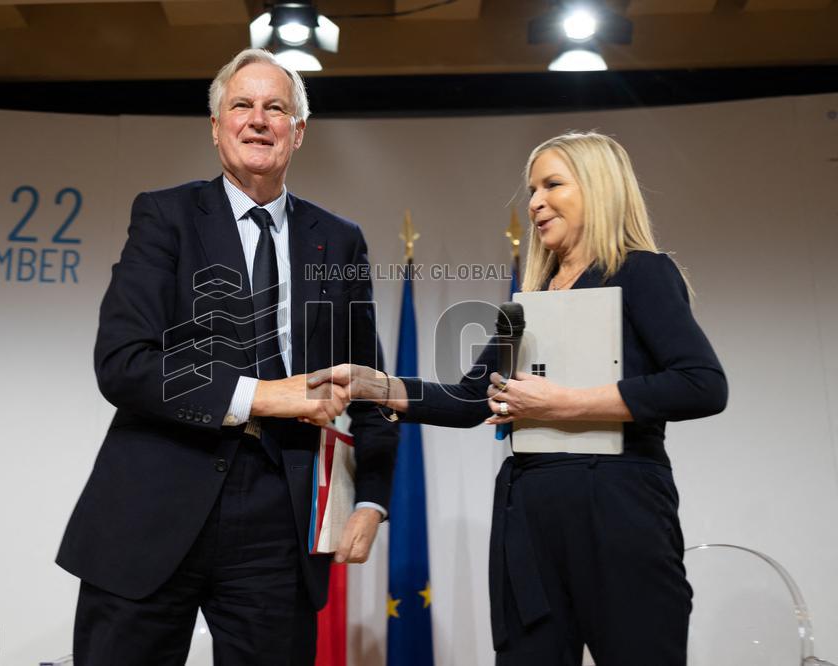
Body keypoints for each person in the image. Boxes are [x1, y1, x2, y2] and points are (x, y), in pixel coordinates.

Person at [310, 131, 728, 665]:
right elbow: (468, 400)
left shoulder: (641, 271)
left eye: (552, 184)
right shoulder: (526, 304)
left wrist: (566, 405)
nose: (534, 202)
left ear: (599, 189)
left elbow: (701, 383)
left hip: (621, 515)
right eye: (532, 189)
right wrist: (376, 385)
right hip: (526, 523)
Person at [56, 48, 398, 666]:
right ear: (216, 127)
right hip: (155, 501)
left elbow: (369, 383)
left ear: (298, 132)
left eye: (276, 108)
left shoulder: (338, 240)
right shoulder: (165, 217)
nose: (258, 119)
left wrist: (373, 498)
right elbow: (124, 363)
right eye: (241, 105)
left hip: (279, 518)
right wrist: (263, 396)